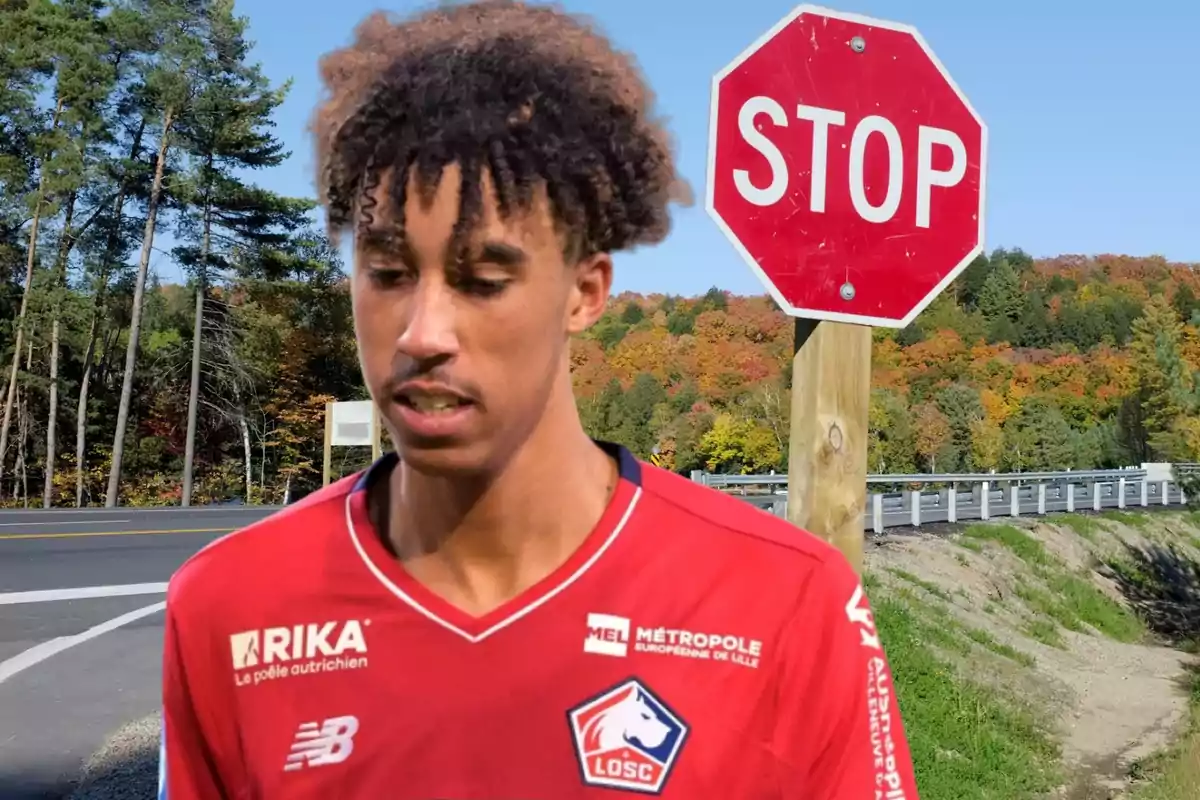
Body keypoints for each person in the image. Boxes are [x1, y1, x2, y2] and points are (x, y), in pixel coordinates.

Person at [157, 1, 921, 798]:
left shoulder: (786, 602)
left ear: (584, 294)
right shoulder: (229, 608)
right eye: (386, 273)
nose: (423, 332)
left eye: (483, 281)